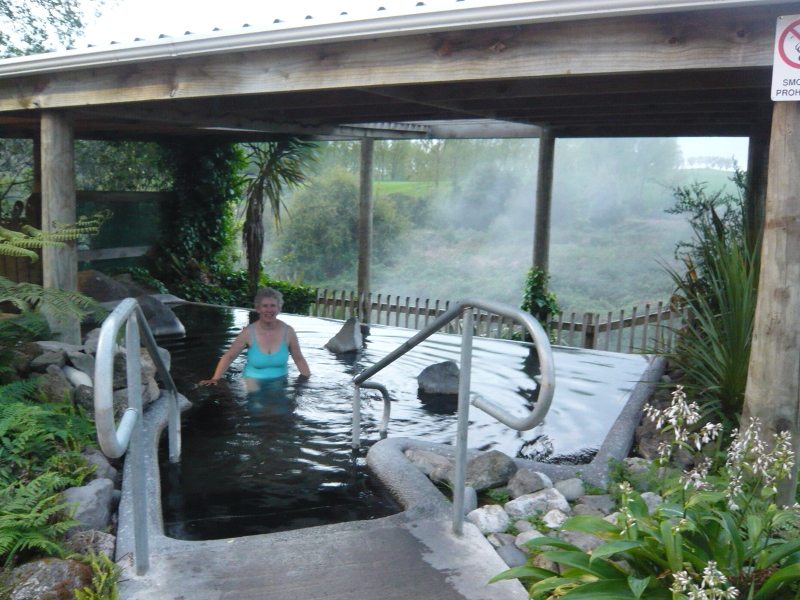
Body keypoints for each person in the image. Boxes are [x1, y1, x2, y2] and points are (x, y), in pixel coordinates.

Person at [201, 287, 311, 391]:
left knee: (280, 408)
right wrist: (215, 378)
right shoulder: (248, 332)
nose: (269, 310)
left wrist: (307, 382)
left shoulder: (288, 332)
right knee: (257, 405)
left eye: (273, 306)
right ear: (258, 309)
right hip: (252, 379)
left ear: (278, 309)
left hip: (280, 380)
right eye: (265, 306)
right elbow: (229, 356)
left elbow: (299, 359)